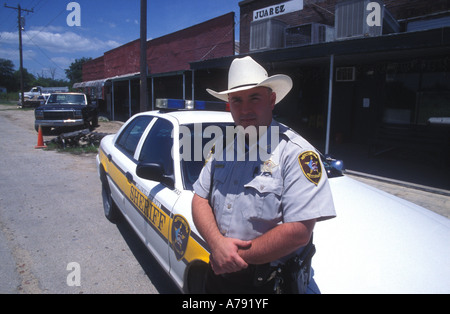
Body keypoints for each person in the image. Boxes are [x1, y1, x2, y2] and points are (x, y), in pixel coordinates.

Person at [192, 56, 336, 294]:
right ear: (229, 104)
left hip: (268, 284)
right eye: (236, 100)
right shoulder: (222, 146)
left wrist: (231, 256)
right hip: (217, 275)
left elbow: (299, 231)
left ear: (272, 100)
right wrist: (217, 246)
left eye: (254, 98)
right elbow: (199, 198)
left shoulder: (297, 154)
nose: (245, 109)